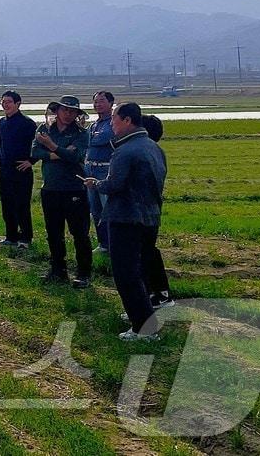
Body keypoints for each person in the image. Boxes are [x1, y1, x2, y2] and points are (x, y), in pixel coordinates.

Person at [84, 102, 168, 341]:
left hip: (125, 218)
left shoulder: (125, 150)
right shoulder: (154, 147)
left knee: (126, 273)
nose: (112, 124)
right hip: (150, 217)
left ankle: (144, 328)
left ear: (128, 121)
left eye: (115, 120)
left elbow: (114, 185)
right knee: (139, 269)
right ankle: (141, 313)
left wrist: (96, 184)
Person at [31, 96, 93, 287]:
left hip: (74, 188)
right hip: (51, 189)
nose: (68, 114)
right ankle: (58, 270)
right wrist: (57, 153)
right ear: (56, 111)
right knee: (53, 232)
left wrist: (51, 147)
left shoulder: (81, 133)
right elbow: (34, 153)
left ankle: (84, 273)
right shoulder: (43, 129)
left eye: (72, 111)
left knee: (79, 233)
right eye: (64, 110)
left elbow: (75, 156)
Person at [0, 91, 37, 248]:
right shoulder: (2, 122)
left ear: (18, 104)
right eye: (3, 101)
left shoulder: (27, 123)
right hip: (4, 170)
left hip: (21, 170)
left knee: (22, 205)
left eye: (9, 101)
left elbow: (38, 145)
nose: (5, 104)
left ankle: (26, 238)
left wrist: (31, 161)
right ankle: (11, 237)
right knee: (7, 204)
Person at [139, 114, 174, 309]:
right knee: (149, 251)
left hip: (142, 212)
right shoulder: (156, 151)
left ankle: (156, 295)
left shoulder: (144, 153)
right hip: (151, 211)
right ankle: (160, 293)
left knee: (145, 254)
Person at [85, 91, 115, 253]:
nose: (98, 105)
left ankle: (114, 244)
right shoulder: (94, 125)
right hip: (90, 169)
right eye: (95, 102)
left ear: (111, 104)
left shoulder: (112, 123)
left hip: (105, 169)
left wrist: (87, 138)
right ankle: (103, 244)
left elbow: (100, 140)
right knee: (95, 210)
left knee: (107, 209)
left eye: (101, 101)